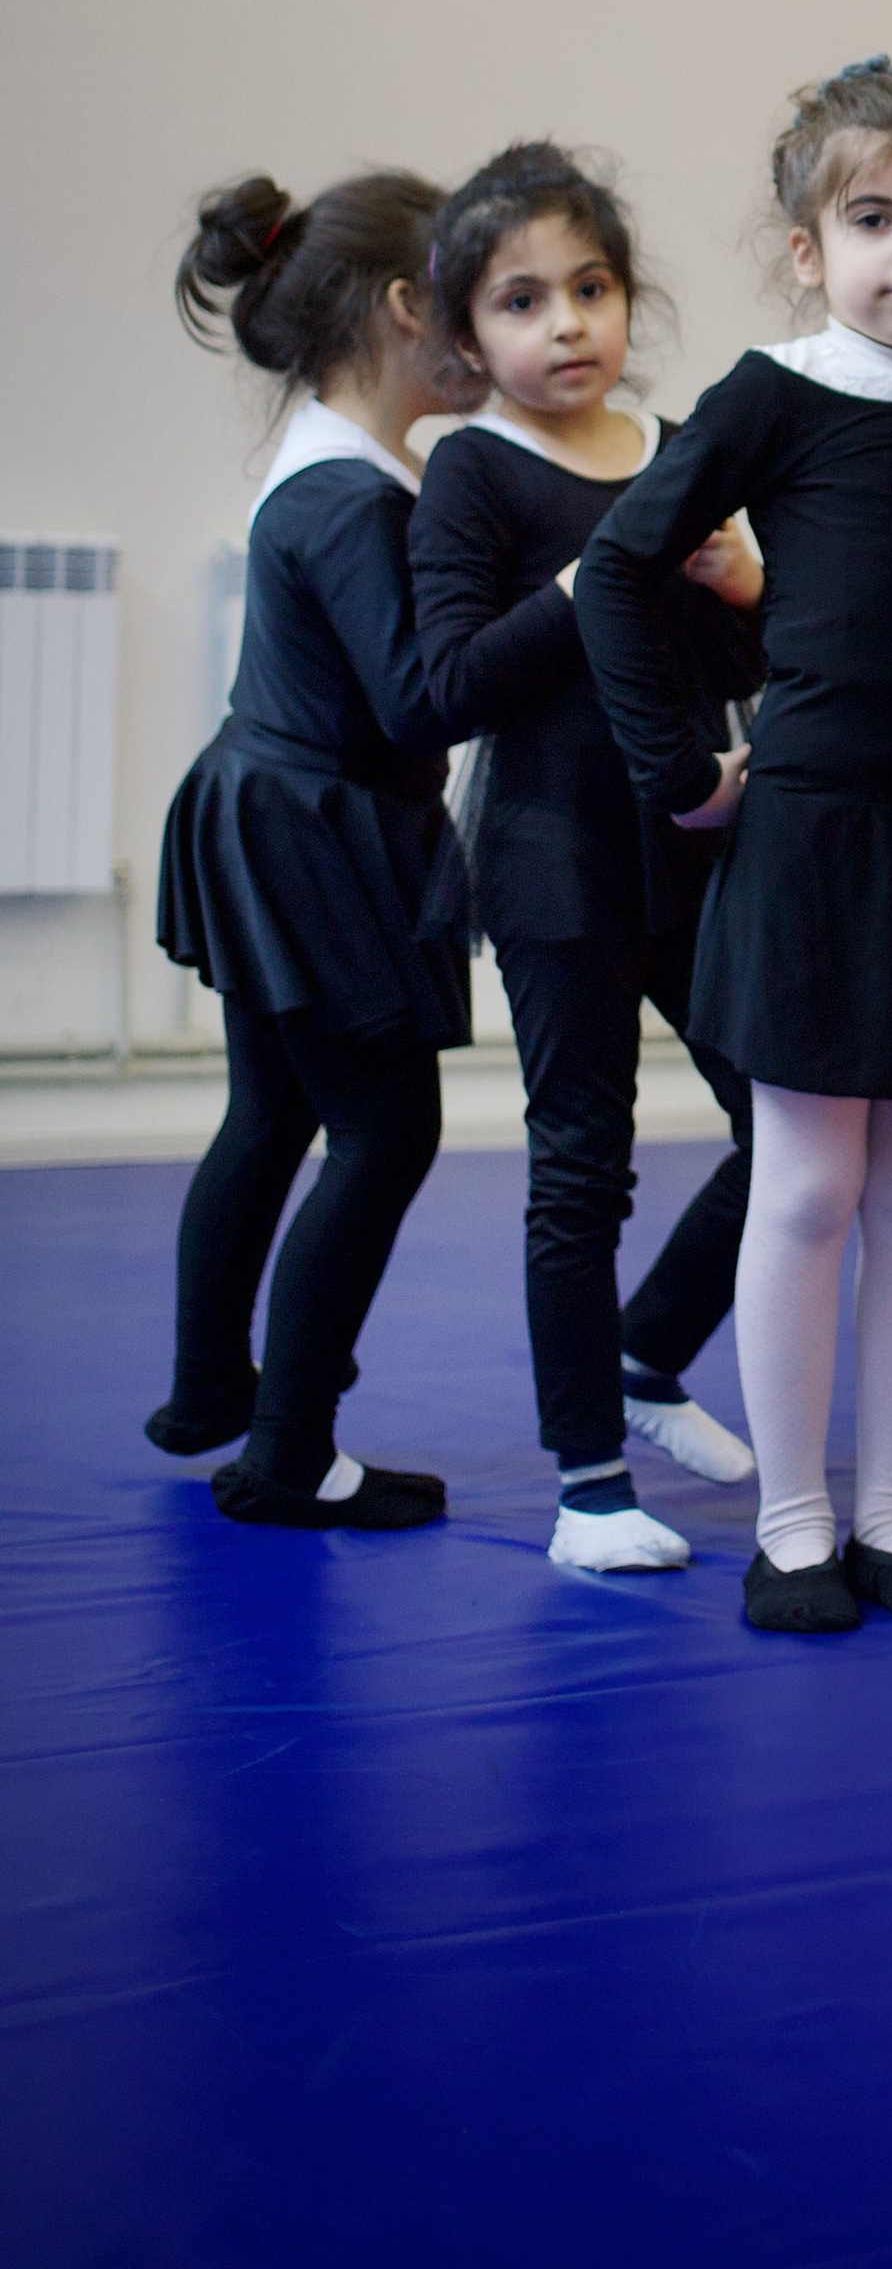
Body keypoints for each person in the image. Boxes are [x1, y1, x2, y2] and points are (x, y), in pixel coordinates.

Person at [577, 63, 892, 1637]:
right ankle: (794, 1518)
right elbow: (621, 569)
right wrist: (678, 769)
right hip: (817, 832)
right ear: (807, 249)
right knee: (813, 1185)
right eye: (875, 220)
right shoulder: (777, 390)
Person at [411, 144, 766, 1575]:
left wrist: (748, 586)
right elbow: (442, 687)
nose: (566, 324)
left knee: (792, 1125)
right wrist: (587, 577)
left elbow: (739, 659)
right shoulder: (473, 476)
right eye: (522, 301)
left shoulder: (679, 448)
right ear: (466, 337)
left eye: (592, 288)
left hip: (688, 837)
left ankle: (646, 1351)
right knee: (583, 1165)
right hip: (555, 851)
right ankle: (590, 1484)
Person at [151, 171, 463, 1530]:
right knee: (386, 1131)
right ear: (408, 306)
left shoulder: (335, 461)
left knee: (276, 1114)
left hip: (265, 803)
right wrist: (576, 599)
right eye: (483, 293)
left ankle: (215, 1389)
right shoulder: (352, 495)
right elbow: (416, 698)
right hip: (309, 828)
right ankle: (287, 1454)